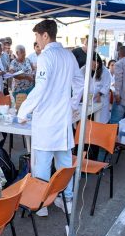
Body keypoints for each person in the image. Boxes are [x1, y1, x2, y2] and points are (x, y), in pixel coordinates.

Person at [17, 19, 84, 216]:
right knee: (64, 164)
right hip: (62, 120)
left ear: (45, 35)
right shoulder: (69, 56)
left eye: (37, 36)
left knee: (42, 165)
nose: (37, 41)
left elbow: (41, 88)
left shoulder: (46, 56)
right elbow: (79, 83)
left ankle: (42, 205)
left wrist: (23, 111)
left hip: (46, 121)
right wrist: (72, 105)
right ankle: (67, 199)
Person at [80, 53, 111, 123]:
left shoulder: (105, 71)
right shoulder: (83, 70)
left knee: (100, 120)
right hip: (88, 99)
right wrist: (81, 94)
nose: (95, 66)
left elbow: (106, 85)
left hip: (100, 99)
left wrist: (100, 94)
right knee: (88, 120)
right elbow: (79, 83)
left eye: (97, 64)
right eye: (93, 65)